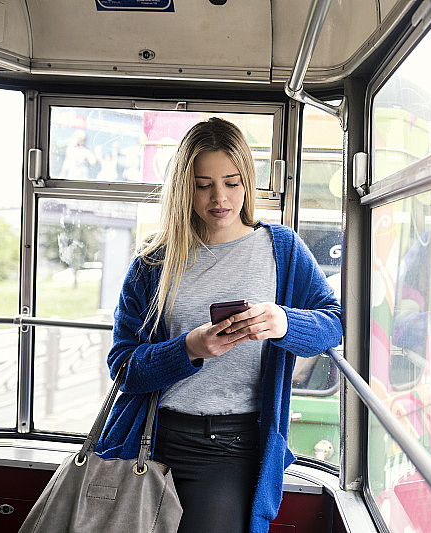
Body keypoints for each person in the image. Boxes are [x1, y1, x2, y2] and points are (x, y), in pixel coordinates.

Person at [95, 117, 343, 533]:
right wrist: (189, 349)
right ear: (183, 188)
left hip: (231, 445)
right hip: (150, 436)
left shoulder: (281, 249)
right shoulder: (154, 261)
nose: (219, 198)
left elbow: (334, 324)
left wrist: (285, 322)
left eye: (232, 182)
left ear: (248, 181)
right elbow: (123, 368)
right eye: (203, 184)